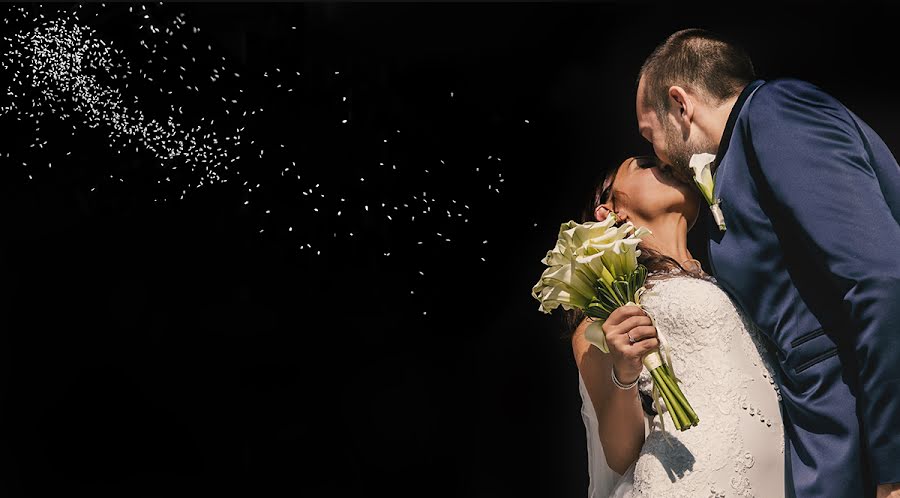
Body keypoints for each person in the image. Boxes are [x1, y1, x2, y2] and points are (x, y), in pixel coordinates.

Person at [627, 28, 900, 498]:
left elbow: (879, 278)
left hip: (865, 438)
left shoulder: (776, 112)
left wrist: (893, 468)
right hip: (823, 448)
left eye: (651, 137)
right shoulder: (732, 166)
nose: (661, 158)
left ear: (680, 104)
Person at [569, 155, 785, 497]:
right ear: (609, 213)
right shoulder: (610, 314)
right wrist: (624, 372)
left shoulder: (731, 274)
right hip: (689, 484)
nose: (664, 162)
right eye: (643, 163)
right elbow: (620, 453)